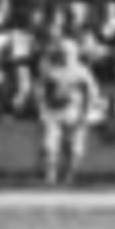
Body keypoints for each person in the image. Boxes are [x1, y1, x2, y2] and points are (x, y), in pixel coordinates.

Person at [36, 36, 101, 186]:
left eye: (69, 52)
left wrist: (85, 113)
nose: (66, 55)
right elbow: (41, 91)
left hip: (74, 111)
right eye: (63, 52)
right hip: (54, 111)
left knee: (75, 147)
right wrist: (44, 108)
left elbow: (91, 93)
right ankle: (49, 177)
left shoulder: (81, 72)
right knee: (50, 145)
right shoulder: (50, 70)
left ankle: (69, 177)